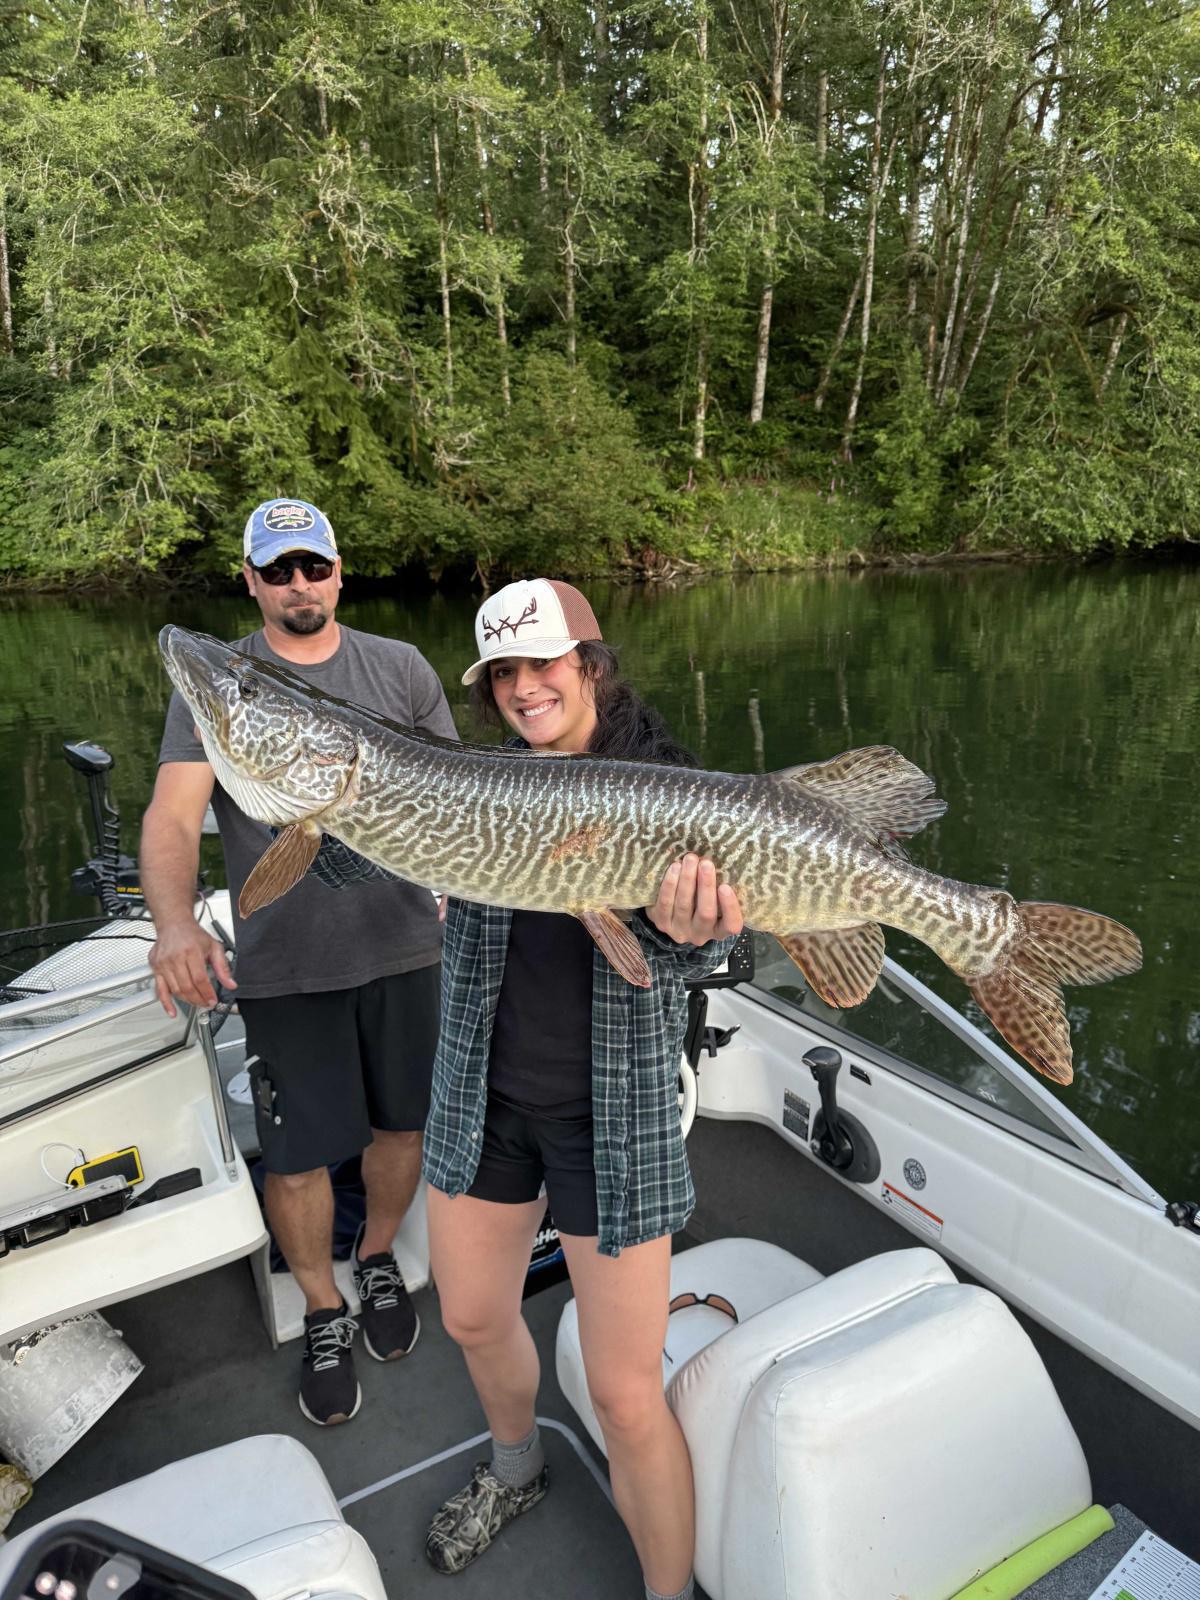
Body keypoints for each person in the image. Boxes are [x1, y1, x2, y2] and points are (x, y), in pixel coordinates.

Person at [421, 579, 745, 1600]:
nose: (524, 689)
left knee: (624, 1393)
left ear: (592, 664)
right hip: (484, 1094)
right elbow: (355, 869)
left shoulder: (667, 787)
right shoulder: (475, 783)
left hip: (615, 1115)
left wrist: (695, 931)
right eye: (504, 673)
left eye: (543, 664)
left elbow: (719, 948)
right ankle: (514, 1469)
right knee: (472, 1315)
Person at [140, 498, 457, 1428]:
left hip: (406, 950)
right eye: (277, 571)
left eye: (311, 566)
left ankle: (378, 1258)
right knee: (303, 1153)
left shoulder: (397, 668)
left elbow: (463, 793)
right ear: (252, 581)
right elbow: (169, 818)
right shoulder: (225, 685)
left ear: (337, 571)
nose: (297, 585)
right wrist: (173, 925)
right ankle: (323, 1304)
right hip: (288, 965)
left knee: (403, 1127)